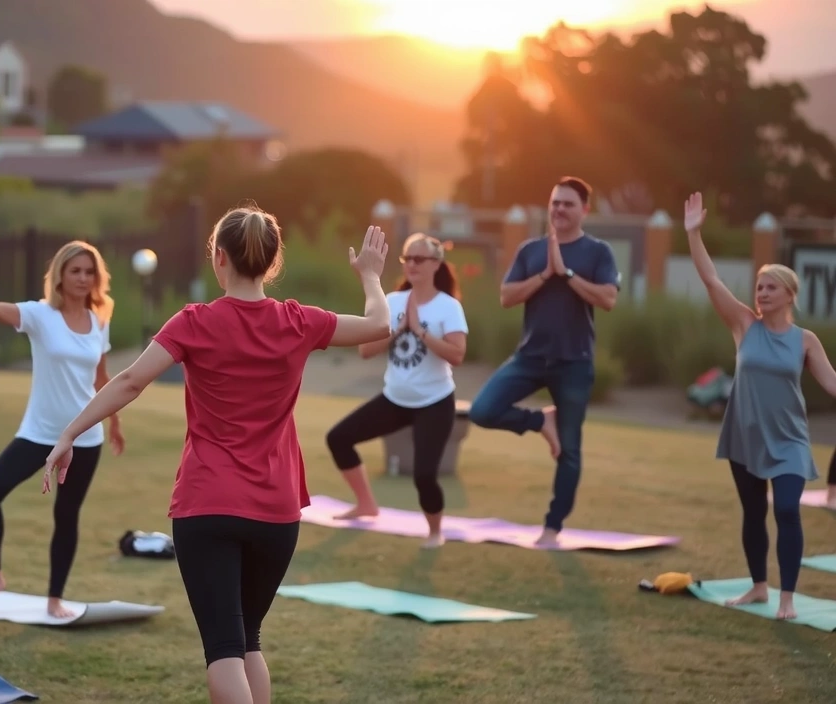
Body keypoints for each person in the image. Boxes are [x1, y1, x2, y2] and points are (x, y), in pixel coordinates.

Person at [40, 204, 392, 704]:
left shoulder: (195, 321)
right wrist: (372, 276)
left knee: (225, 649)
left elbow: (131, 380)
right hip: (276, 511)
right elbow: (380, 324)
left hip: (208, 504)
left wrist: (68, 434)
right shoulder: (298, 321)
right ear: (272, 263)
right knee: (248, 642)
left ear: (218, 258)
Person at [0, 232, 126, 619]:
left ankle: (55, 599)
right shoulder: (39, 315)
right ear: (60, 276)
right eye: (75, 271)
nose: (83, 278)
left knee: (66, 514)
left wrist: (114, 422)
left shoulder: (98, 319)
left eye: (89, 272)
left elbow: (102, 379)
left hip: (85, 437)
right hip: (39, 433)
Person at [683, 191, 836, 620]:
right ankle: (758, 587)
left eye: (771, 287)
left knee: (786, 508)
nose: (762, 292)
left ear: (789, 295)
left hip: (788, 438)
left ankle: (787, 597)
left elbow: (831, 382)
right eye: (759, 286)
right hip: (745, 432)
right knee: (753, 512)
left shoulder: (805, 340)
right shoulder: (743, 325)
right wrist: (694, 233)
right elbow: (712, 280)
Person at [467, 176, 620, 546]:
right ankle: (540, 420)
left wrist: (566, 273)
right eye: (555, 203)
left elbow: (607, 299)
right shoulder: (530, 250)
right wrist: (545, 273)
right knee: (482, 410)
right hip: (530, 356)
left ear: (584, 210)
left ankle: (552, 527)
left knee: (569, 450)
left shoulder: (597, 252)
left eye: (568, 204)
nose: (560, 210)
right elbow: (507, 296)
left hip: (574, 362)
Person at [324, 233, 468, 548]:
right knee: (338, 438)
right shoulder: (392, 302)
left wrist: (420, 332)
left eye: (419, 259)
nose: (412, 265)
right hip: (395, 399)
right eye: (407, 259)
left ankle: (435, 532)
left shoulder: (448, 306)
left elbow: (457, 355)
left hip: (435, 401)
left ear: (436, 264)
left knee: (424, 475)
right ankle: (366, 504)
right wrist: (397, 330)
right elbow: (365, 350)